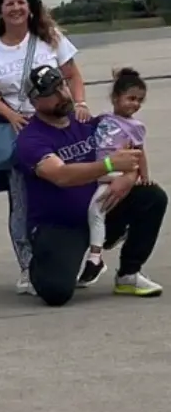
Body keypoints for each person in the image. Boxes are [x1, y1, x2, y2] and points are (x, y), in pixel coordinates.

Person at [15, 64, 164, 305]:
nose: (63, 94)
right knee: (55, 293)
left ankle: (128, 274)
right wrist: (107, 165)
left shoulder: (86, 122)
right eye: (52, 92)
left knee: (152, 196)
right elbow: (61, 175)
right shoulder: (31, 139)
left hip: (101, 210)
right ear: (35, 102)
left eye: (62, 85)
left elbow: (127, 152)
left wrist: (127, 178)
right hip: (61, 225)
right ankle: (43, 263)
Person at [0, 0, 89, 294]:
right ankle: (28, 266)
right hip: (22, 131)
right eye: (9, 4)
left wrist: (80, 104)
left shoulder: (49, 40)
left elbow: (73, 75)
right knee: (22, 202)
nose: (15, 8)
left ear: (30, 7)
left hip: (58, 126)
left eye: (21, 3)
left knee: (68, 191)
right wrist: (11, 115)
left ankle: (78, 256)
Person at [82, 68, 152, 284]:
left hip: (116, 174)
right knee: (96, 211)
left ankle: (95, 257)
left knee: (96, 210)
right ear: (115, 98)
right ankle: (112, 237)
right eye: (131, 98)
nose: (135, 104)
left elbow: (139, 153)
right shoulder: (103, 119)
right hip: (101, 172)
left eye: (139, 100)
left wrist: (144, 176)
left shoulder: (136, 126)